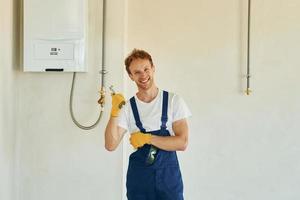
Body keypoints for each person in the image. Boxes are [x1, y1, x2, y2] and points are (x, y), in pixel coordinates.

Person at [104, 49, 191, 200]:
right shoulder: (128, 107)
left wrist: (148, 138)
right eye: (137, 72)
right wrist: (114, 113)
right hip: (140, 180)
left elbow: (182, 142)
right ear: (131, 76)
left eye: (146, 69)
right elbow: (110, 145)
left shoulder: (173, 101)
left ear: (153, 68)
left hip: (168, 178)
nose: (143, 75)